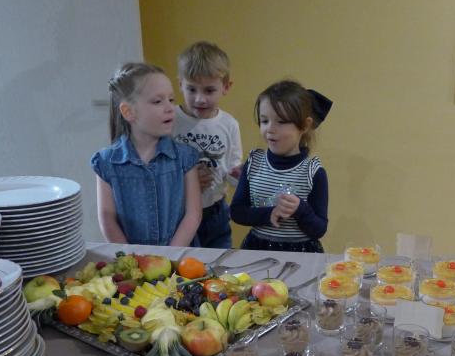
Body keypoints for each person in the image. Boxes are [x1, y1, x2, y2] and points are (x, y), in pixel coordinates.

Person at [91, 62, 201, 246]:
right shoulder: (106, 162)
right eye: (158, 101)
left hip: (179, 257)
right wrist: (130, 257)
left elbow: (193, 215)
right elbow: (107, 218)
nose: (170, 108)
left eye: (171, 100)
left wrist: (169, 256)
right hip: (131, 259)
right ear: (128, 112)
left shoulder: (185, 157)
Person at [230, 80, 332, 253]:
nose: (270, 129)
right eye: (264, 121)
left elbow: (319, 228)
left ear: (305, 125)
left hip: (301, 254)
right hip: (257, 249)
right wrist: (269, 214)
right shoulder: (254, 162)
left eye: (281, 122)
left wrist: (300, 209)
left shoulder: (313, 171)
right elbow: (237, 212)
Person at [172, 41, 242, 248]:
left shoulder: (229, 124)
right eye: (191, 89)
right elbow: (157, 168)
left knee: (219, 261)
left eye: (209, 90)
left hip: (215, 211)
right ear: (180, 85)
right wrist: (186, 182)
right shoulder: (169, 120)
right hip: (178, 212)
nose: (200, 99)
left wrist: (244, 177)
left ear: (226, 87)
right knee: (182, 263)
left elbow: (233, 168)